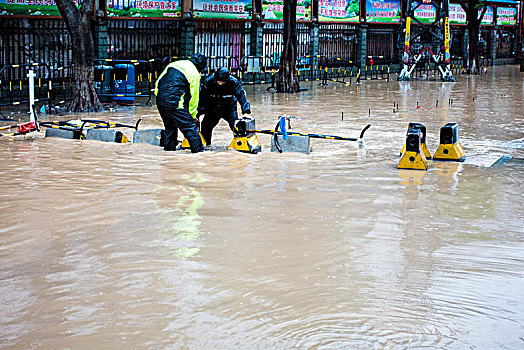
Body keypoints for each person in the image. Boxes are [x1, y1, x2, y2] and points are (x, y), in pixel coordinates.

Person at [154, 53, 207, 152]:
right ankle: (199, 154)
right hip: (176, 103)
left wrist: (160, 97)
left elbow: (158, 82)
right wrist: (193, 115)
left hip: (161, 101)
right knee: (190, 128)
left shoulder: (174, 64)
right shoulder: (194, 73)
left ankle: (169, 152)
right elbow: (194, 96)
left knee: (170, 128)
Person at [198, 67, 251, 145]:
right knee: (206, 127)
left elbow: (241, 96)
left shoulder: (234, 82)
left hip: (228, 108)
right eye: (219, 81)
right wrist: (197, 113)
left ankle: (240, 145)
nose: (221, 84)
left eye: (223, 82)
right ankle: (206, 144)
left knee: (237, 127)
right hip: (212, 108)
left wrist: (246, 112)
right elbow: (202, 98)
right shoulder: (208, 81)